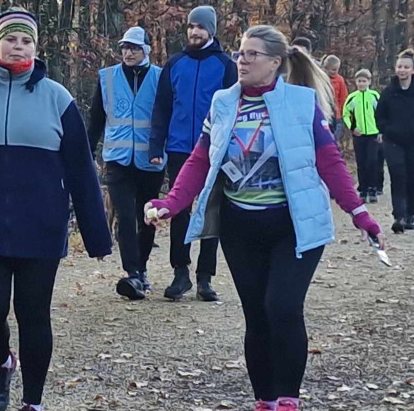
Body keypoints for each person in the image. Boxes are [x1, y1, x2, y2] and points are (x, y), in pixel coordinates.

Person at [145, 25, 382, 411]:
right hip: (241, 228)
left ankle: (289, 399)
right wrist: (170, 203)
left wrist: (359, 213)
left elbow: (330, 162)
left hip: (294, 226)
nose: (243, 60)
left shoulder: (302, 103)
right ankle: (265, 401)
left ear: (275, 62)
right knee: (256, 314)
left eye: (253, 54)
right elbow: (201, 158)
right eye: (241, 53)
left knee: (282, 307)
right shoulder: (223, 102)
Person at [0, 7, 112, 411]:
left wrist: (96, 234)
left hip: (41, 228)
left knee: (34, 316)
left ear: (36, 46)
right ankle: (2, 360)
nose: (19, 46)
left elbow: (82, 171)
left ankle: (33, 402)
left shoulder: (57, 98)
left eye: (26, 40)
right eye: (11, 38)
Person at [148, 5, 237, 302]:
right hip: (178, 147)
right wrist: (155, 145)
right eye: (191, 27)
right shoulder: (175, 64)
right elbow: (161, 107)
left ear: (211, 30)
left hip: (216, 148)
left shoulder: (226, 65)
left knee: (212, 209)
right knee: (179, 210)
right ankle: (180, 272)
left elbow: (235, 109)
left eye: (200, 27)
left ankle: (205, 277)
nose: (195, 32)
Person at [87, 26, 164, 300]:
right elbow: (96, 119)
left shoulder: (160, 77)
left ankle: (141, 268)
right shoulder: (107, 78)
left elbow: (167, 116)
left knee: (148, 218)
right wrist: (87, 152)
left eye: (134, 47)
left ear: (146, 50)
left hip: (150, 160)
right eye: (124, 48)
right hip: (117, 160)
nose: (128, 52)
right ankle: (131, 272)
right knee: (126, 215)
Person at [376, 49, 414, 234]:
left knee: (412, 177)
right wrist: (386, 130)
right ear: (395, 68)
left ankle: (411, 213)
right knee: (397, 175)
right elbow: (380, 116)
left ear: (413, 70)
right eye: (399, 66)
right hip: (393, 141)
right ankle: (399, 216)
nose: (402, 70)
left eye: (406, 67)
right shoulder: (388, 92)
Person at [343, 69, 383, 203]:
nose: (361, 84)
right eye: (359, 81)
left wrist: (380, 130)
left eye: (364, 81)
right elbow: (346, 114)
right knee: (361, 162)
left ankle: (373, 189)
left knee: (372, 161)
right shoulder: (352, 97)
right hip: (359, 135)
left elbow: (382, 114)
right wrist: (352, 128)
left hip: (373, 134)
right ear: (356, 82)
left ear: (369, 82)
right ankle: (363, 189)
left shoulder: (374, 96)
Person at [322, 55, 348, 141]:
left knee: (335, 138)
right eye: (333, 69)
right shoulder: (322, 78)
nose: (335, 72)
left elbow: (343, 97)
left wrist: (342, 112)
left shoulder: (340, 80)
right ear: (326, 68)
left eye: (337, 69)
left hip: (336, 114)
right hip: (324, 112)